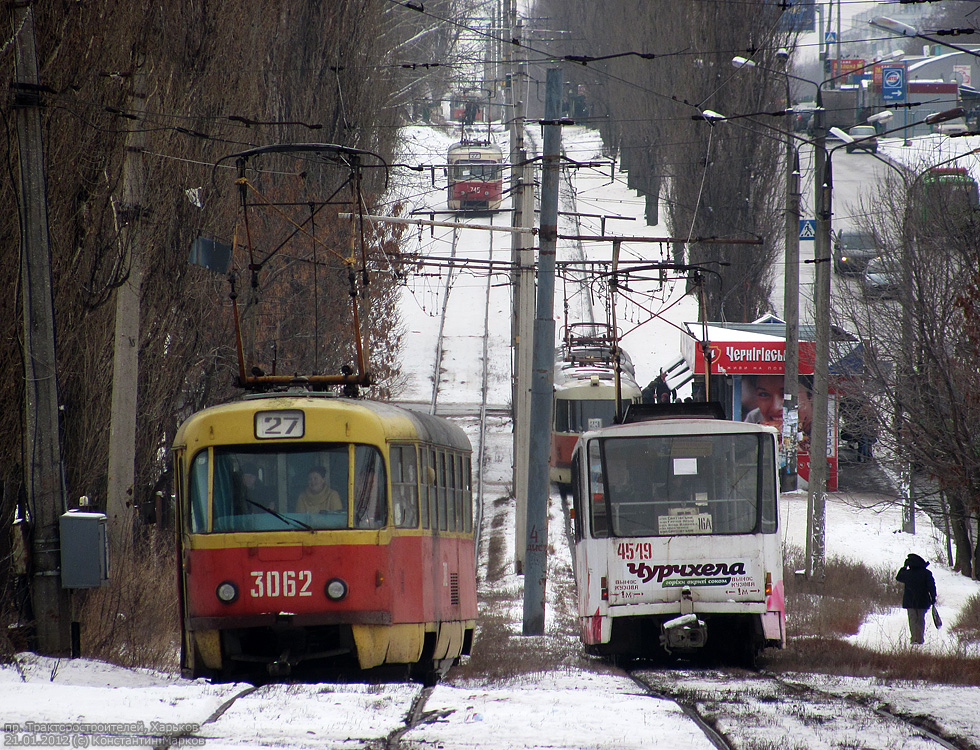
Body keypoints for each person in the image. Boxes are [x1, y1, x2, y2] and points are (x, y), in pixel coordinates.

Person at [896, 553, 937, 645]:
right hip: (923, 600)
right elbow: (931, 586)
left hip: (909, 600)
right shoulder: (926, 573)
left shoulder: (907, 573)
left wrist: (904, 567)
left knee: (912, 620)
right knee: (920, 620)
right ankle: (920, 638)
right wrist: (933, 597)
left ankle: (914, 638)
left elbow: (898, 578)